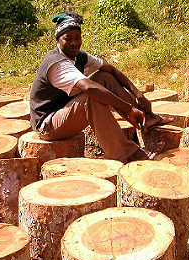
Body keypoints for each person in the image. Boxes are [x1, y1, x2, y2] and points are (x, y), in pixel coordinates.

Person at [30, 12, 169, 163]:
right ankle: (126, 154)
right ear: (58, 40)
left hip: (64, 112)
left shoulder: (79, 56)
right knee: (90, 98)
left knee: (104, 77)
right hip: (48, 125)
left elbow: (111, 69)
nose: (74, 43)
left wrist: (139, 95)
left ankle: (145, 119)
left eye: (77, 38)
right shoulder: (56, 63)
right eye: (67, 39)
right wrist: (128, 109)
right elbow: (89, 88)